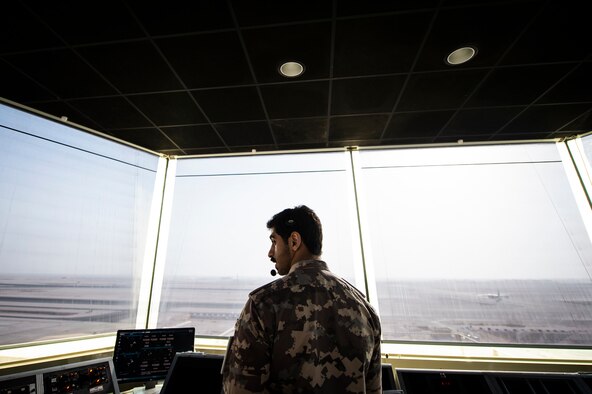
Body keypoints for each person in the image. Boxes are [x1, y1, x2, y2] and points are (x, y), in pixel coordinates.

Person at [222, 205, 382, 393]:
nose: (270, 253)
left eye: (274, 242)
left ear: (294, 241)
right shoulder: (364, 308)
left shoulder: (263, 304)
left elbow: (239, 389)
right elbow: (373, 389)